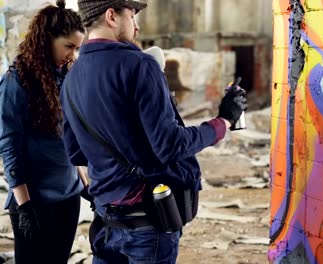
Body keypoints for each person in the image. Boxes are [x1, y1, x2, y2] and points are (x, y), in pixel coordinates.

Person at [61, 0, 247, 263]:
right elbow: (169, 145)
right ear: (112, 16)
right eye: (133, 16)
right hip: (147, 224)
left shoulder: (70, 78)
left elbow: (75, 152)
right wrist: (223, 122)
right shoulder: (140, 65)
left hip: (105, 221)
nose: (137, 26)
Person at [0, 1, 87, 263]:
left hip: (68, 198)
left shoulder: (67, 76)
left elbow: (70, 139)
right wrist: (24, 206)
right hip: (35, 202)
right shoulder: (17, 80)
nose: (73, 54)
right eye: (68, 46)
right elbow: (9, 145)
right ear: (48, 39)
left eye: (77, 48)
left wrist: (85, 184)